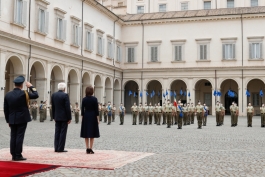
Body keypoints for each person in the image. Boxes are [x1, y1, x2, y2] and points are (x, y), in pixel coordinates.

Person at [4, 76, 39, 161]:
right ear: (22, 85)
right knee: (19, 136)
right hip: (22, 118)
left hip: (12, 118)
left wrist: (8, 120)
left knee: (13, 136)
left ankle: (13, 154)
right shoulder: (24, 93)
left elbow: (5, 109)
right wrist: (31, 86)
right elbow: (36, 95)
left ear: (15, 84)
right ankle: (18, 154)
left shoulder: (8, 94)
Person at [51, 82, 72, 153]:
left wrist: (53, 116)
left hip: (57, 116)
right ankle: (61, 148)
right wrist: (69, 118)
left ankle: (56, 147)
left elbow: (53, 107)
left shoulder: (54, 95)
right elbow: (67, 107)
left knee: (57, 132)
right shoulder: (65, 95)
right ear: (64, 88)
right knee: (63, 132)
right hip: (64, 117)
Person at [80, 86, 100, 154]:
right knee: (92, 133)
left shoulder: (84, 99)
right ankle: (91, 148)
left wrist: (82, 117)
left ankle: (87, 148)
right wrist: (98, 119)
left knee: (86, 133)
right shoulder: (95, 99)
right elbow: (96, 110)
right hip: (93, 115)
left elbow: (82, 110)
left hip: (86, 115)